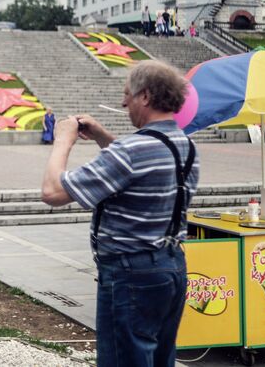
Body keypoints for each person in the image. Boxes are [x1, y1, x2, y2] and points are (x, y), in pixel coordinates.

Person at [41, 61, 199, 367]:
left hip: (131, 274)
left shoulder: (131, 152)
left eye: (127, 94)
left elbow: (52, 192)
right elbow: (139, 163)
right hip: (172, 268)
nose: (123, 102)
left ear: (145, 97)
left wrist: (63, 140)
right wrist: (102, 135)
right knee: (158, 359)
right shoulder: (185, 146)